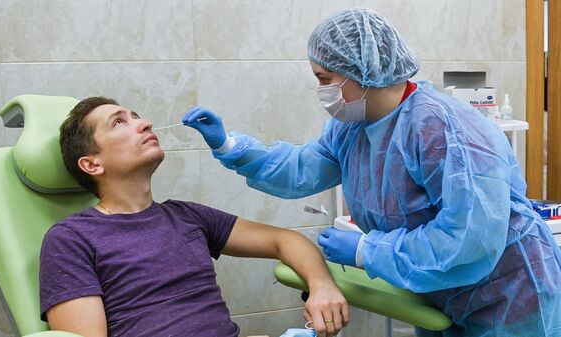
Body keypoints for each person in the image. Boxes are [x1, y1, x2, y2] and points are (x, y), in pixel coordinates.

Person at [182, 8, 561, 337]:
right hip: (443, 294)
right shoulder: (353, 127)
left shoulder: (442, 129)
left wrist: (367, 250)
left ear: (361, 72)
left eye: (325, 78)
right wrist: (230, 146)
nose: (321, 90)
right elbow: (300, 170)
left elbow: (469, 239)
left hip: (510, 294)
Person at [39, 97, 349, 337]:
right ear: (92, 165)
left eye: (136, 116)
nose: (144, 123)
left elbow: (286, 240)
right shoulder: (70, 238)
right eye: (119, 123)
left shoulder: (186, 216)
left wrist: (321, 285)